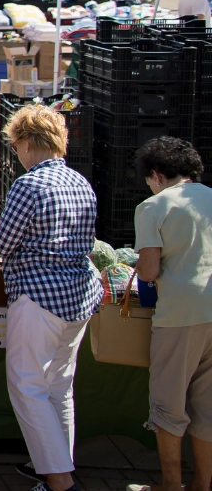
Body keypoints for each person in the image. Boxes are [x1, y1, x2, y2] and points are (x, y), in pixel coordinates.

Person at [0, 105, 99, 491]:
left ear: (24, 143)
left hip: (39, 296)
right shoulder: (80, 182)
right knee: (59, 386)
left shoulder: (30, 184)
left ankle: (58, 479)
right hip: (79, 295)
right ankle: (57, 467)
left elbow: (2, 246)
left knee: (27, 386)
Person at [126, 138, 212, 491]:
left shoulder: (153, 206)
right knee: (207, 409)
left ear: (156, 174)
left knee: (168, 405)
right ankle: (202, 484)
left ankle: (169, 484)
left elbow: (147, 271)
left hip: (179, 314)